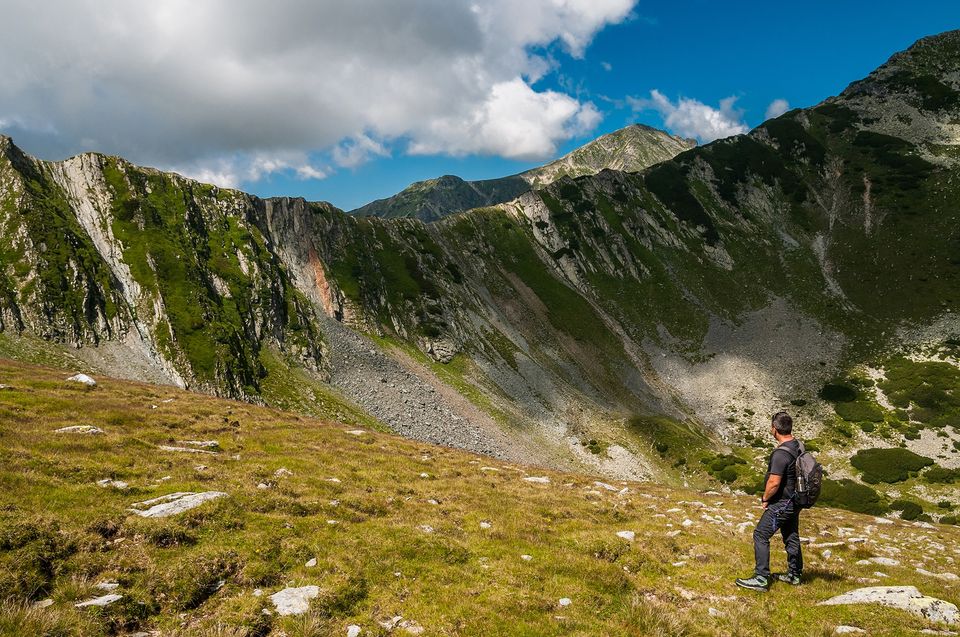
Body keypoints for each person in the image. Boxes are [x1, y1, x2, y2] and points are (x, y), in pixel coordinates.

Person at [735, 411, 803, 591]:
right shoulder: (797, 445)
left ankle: (761, 578)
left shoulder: (781, 453)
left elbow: (774, 482)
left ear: (774, 429)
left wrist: (765, 498)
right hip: (795, 500)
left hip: (782, 503)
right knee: (791, 535)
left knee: (760, 534)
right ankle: (794, 575)